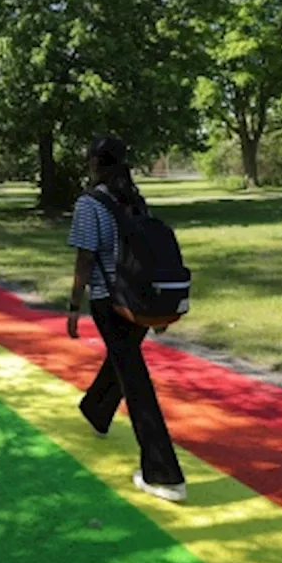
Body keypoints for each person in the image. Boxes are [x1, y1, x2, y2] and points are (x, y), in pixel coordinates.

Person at [66, 136, 187, 503]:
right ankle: (96, 410)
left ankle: (163, 474)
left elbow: (85, 259)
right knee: (124, 360)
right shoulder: (135, 200)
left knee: (134, 379)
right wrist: (157, 307)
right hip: (140, 300)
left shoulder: (90, 203)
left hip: (110, 301)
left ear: (93, 164)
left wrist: (73, 306)